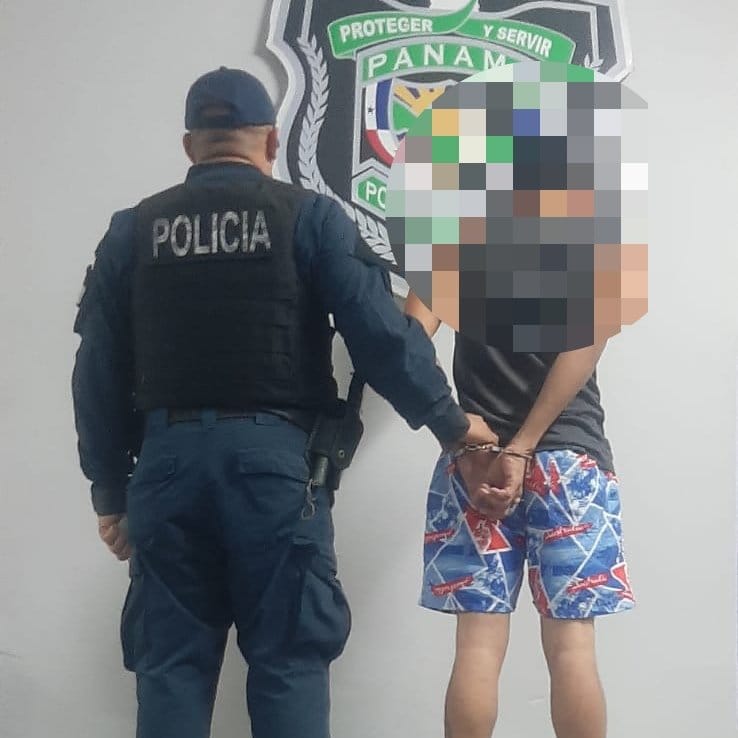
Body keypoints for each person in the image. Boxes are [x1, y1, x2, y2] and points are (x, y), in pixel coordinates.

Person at [71, 67, 493, 738]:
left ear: (190, 146)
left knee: (171, 670)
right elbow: (380, 338)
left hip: (166, 468)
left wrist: (108, 491)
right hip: (275, 471)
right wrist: (452, 424)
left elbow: (96, 368)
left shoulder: (133, 230)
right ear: (271, 140)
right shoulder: (309, 217)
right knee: (289, 663)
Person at [406, 291, 634, 738]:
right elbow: (591, 335)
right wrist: (524, 444)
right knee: (572, 648)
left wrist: (457, 430)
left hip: (477, 462)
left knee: (477, 646)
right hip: (568, 464)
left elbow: (404, 342)